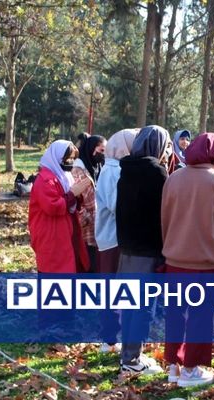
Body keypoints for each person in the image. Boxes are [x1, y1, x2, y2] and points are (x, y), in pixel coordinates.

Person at [161, 132, 214, 387]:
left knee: (175, 312)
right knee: (199, 314)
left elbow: (164, 216)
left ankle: (174, 364)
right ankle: (190, 368)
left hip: (175, 254)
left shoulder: (173, 178)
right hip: (204, 258)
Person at [116, 125, 171, 375]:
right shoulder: (156, 172)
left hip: (127, 246)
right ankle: (132, 360)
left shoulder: (126, 170)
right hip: (147, 248)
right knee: (143, 307)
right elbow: (164, 212)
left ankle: (127, 353)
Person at [94, 128, 138, 352]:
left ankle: (112, 335)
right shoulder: (113, 170)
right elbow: (116, 205)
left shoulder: (116, 167)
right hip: (113, 238)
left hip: (115, 236)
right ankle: (110, 338)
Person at [29, 140, 91, 273]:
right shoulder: (45, 179)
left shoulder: (65, 176)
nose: (70, 162)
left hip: (67, 229)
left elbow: (74, 202)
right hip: (52, 233)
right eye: (68, 159)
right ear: (57, 158)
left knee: (72, 265)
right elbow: (53, 207)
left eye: (73, 158)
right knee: (55, 269)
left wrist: (78, 194)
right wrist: (73, 193)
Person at [72, 134, 107, 272]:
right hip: (85, 229)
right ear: (92, 149)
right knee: (86, 265)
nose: (103, 155)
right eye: (101, 151)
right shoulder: (78, 170)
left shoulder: (97, 167)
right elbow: (75, 201)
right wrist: (87, 219)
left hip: (96, 227)